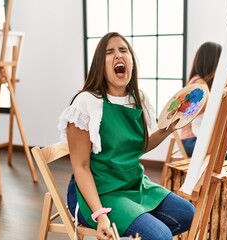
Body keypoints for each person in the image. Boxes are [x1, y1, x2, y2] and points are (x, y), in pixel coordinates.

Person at [58, 32, 195, 240]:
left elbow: (141, 145)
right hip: (99, 191)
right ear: (99, 65)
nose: (118, 55)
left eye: (123, 50)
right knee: (161, 236)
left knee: (187, 214)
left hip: (133, 184)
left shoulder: (137, 98)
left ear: (132, 61)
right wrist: (100, 215)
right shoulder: (86, 103)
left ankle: (132, 230)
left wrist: (169, 129)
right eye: (109, 52)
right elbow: (81, 167)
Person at [180, 41, 227, 165]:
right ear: (213, 63)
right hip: (193, 139)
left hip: (205, 136)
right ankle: (225, 183)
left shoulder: (207, 82)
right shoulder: (197, 86)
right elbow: (213, 111)